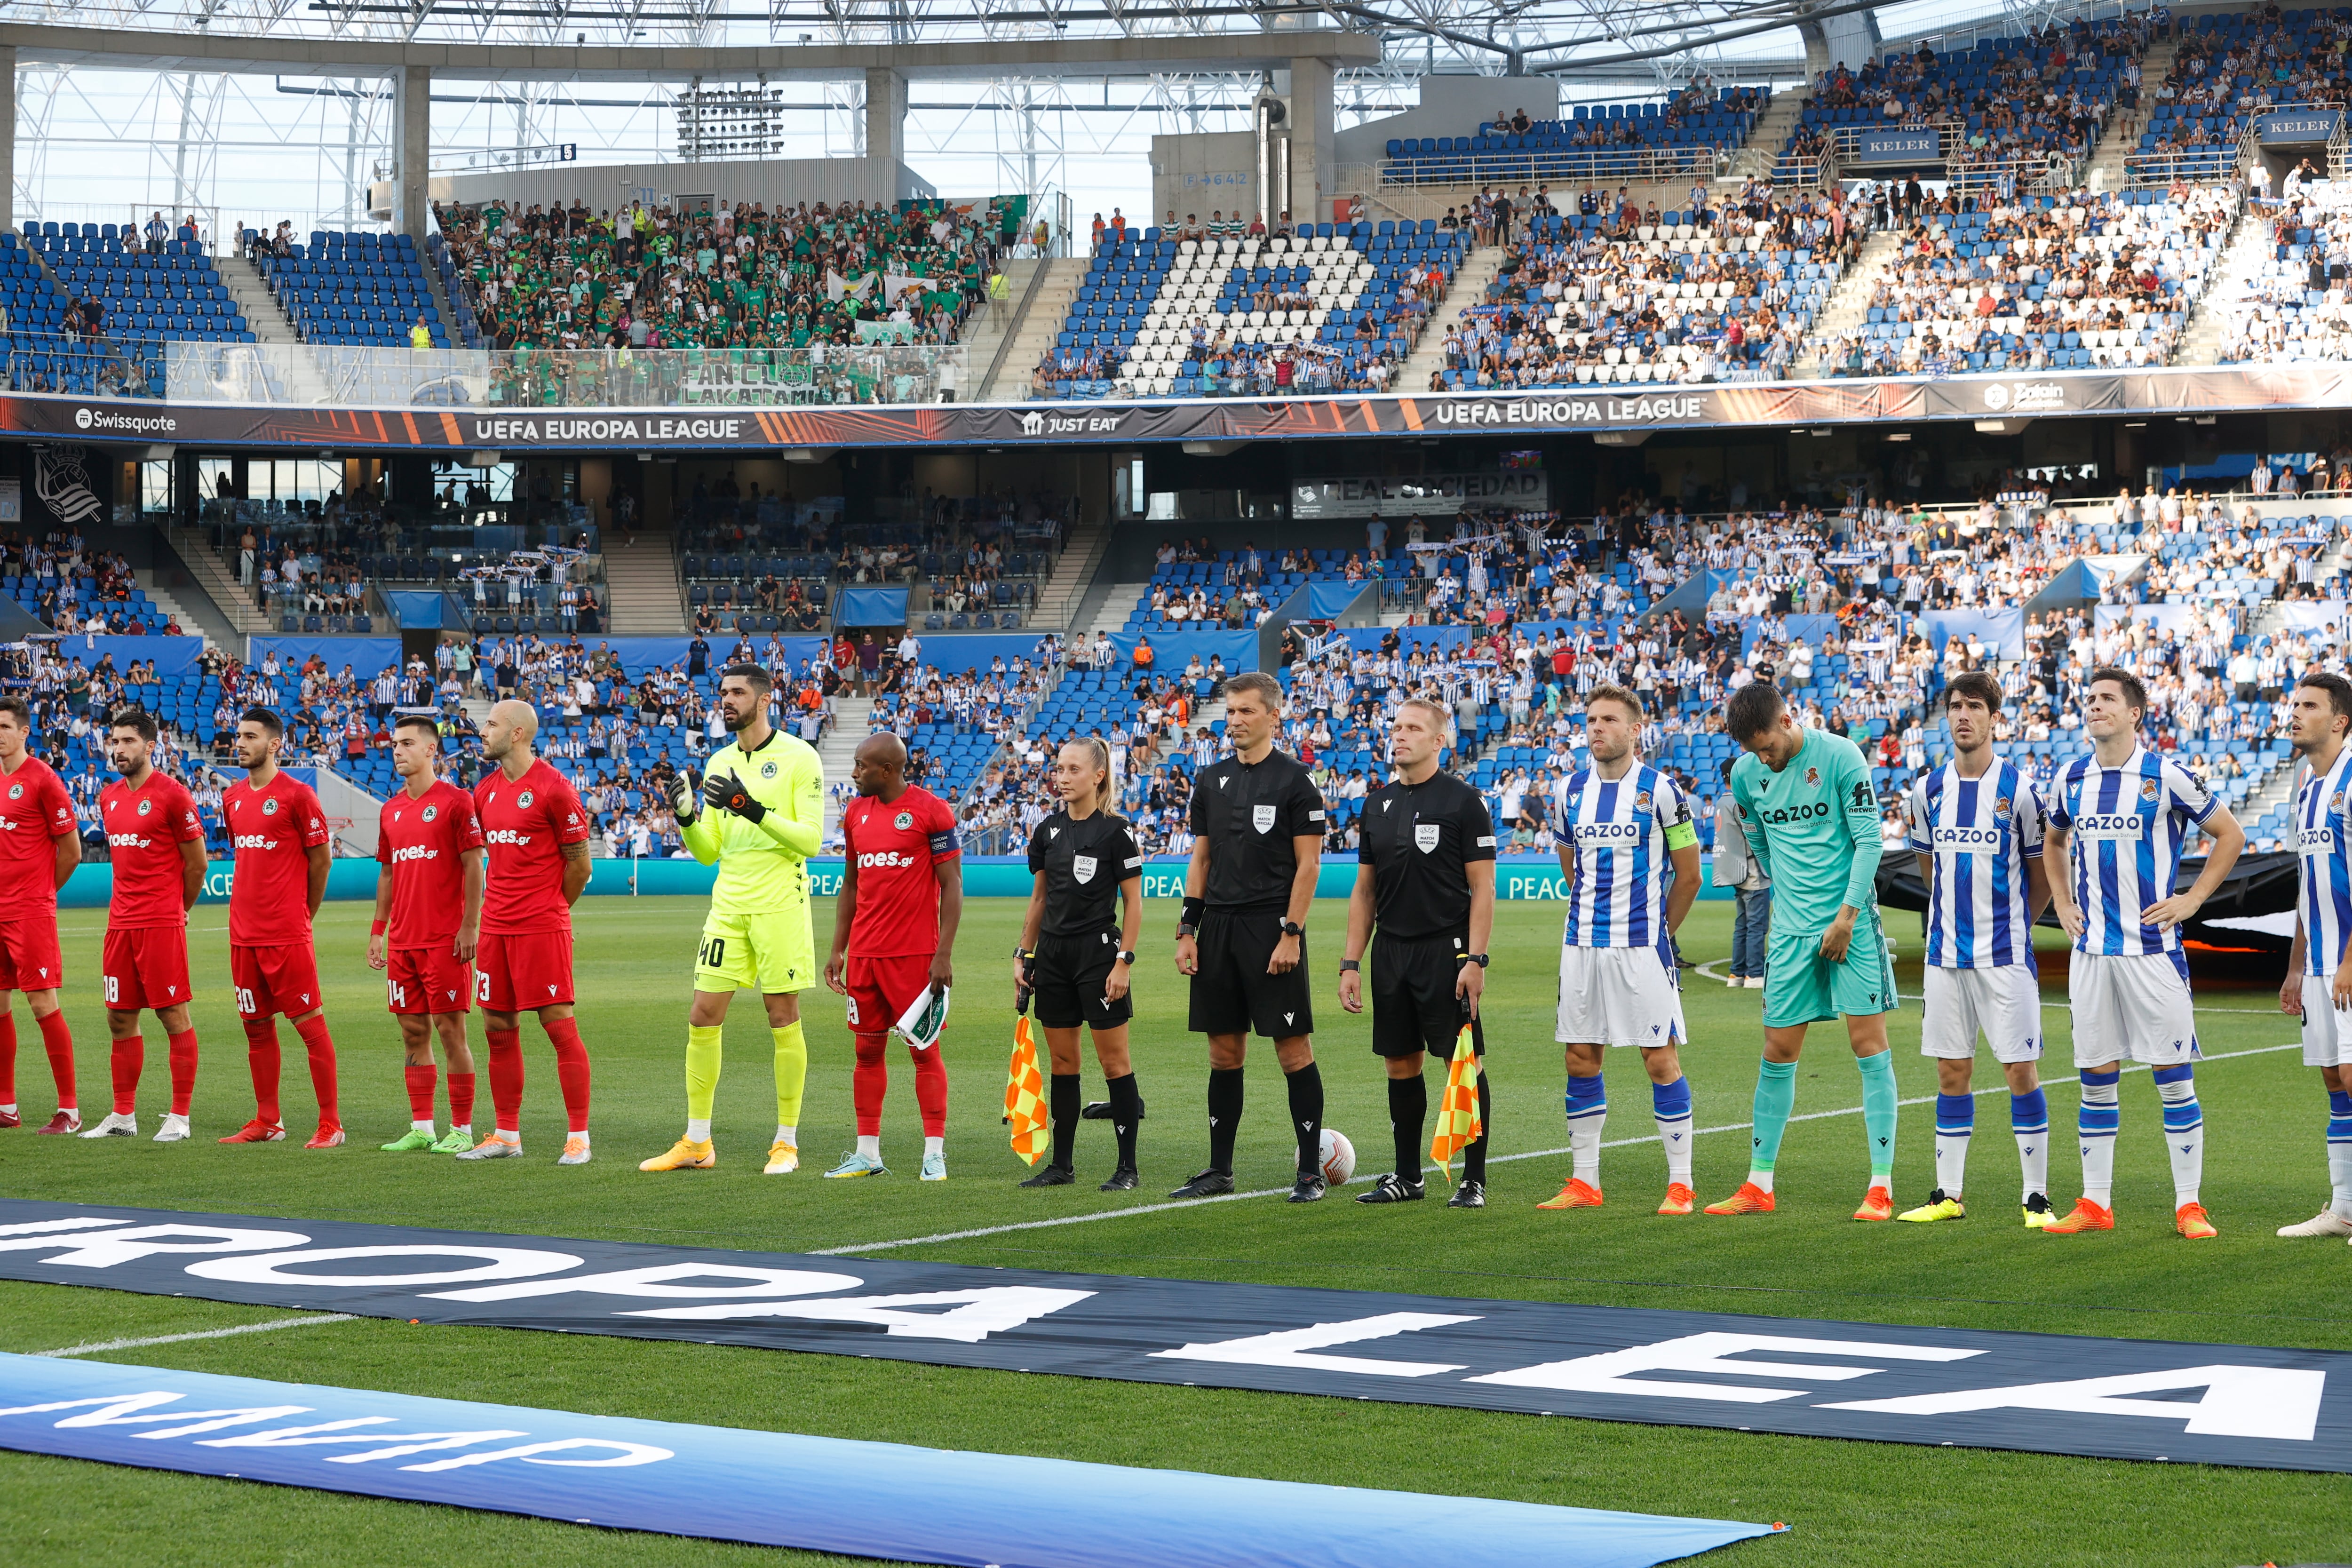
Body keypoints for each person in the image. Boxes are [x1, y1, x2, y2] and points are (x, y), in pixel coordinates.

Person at [2043, 668, 2244, 1239]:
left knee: (2173, 1078)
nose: (2093, 706)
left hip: (2152, 953)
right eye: (2089, 699)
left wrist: (2192, 898)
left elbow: (2229, 835)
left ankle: (2188, 1205)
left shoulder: (2168, 775)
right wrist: (2060, 900)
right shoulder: (2071, 777)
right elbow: (2053, 842)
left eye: (2106, 699)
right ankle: (2094, 1203)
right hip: (2090, 956)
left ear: (2134, 714)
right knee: (2094, 1079)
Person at [1707, 683, 1900, 1218]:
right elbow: (1762, 845)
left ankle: (1879, 1186)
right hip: (1790, 934)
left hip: (1850, 926)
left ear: (1788, 720)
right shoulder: (1744, 775)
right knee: (1776, 1053)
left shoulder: (1840, 756)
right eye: (1754, 751)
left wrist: (1845, 917)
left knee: (1868, 1045)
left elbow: (1868, 842)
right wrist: (1793, 903)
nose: (1763, 759)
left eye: (1767, 746)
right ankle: (1758, 1185)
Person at [641, 663, 824, 1177]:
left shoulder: (799, 757)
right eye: (722, 692)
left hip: (779, 905)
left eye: (737, 692)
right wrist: (685, 819)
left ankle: (785, 1143)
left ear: (763, 700)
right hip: (728, 904)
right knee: (702, 1014)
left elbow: (811, 840)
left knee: (782, 1017)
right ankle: (697, 1142)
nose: (726, 700)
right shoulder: (719, 761)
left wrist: (750, 806)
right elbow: (708, 852)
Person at [1534, 684, 1702, 1214]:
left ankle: (1680, 1183)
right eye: (1590, 720)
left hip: (1640, 948)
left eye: (1609, 720)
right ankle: (1585, 1182)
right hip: (1581, 944)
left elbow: (1689, 875)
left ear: (1635, 730)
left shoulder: (1662, 790)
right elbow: (1570, 865)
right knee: (1579, 1057)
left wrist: (1660, 934)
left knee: (1659, 1060)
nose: (1596, 729)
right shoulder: (1569, 791)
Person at [1896, 670, 2055, 1227]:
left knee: (2019, 1072)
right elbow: (1926, 867)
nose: (1963, 716)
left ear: (1994, 718)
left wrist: (2012, 926)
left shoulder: (2022, 791)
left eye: (1974, 707)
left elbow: (2041, 877)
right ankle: (1946, 1195)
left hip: (2005, 958)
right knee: (1950, 1073)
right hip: (1943, 960)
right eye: (1955, 707)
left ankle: (2035, 1197)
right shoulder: (1926, 791)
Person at [1171, 671, 1329, 1202]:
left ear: (1272, 718)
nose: (1234, 721)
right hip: (1217, 928)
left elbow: (1308, 867)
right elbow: (1201, 859)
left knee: (1292, 1051)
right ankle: (1219, 1170)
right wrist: (1188, 929)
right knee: (1223, 1053)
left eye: (1245, 711)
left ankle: (1308, 1172)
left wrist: (1291, 933)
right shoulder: (1210, 779)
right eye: (1230, 711)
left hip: (1270, 928)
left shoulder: (1295, 781)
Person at [1339, 696, 1496, 1208]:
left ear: (1438, 740)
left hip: (1446, 952)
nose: (1399, 735)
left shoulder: (1462, 801)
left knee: (1462, 1065)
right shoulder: (1376, 804)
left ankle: (1473, 1179)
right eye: (1396, 726)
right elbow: (1364, 892)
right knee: (1398, 1065)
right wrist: (1350, 963)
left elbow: (1483, 888)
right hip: (1390, 953)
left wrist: (1475, 960)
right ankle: (1408, 1176)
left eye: (1412, 728)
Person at [457, 700, 595, 1165]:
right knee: (497, 1026)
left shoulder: (555, 789)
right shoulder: (485, 792)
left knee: (558, 1025)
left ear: (517, 733)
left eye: (492, 724)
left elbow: (580, 866)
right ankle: (506, 1135)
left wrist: (551, 909)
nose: (484, 731)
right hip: (496, 929)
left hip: (541, 928)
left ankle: (578, 1136)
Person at [824, 733, 962, 1180]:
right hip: (865, 955)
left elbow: (953, 885)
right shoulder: (855, 812)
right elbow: (851, 884)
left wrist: (944, 953)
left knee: (924, 1050)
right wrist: (837, 948)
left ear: (887, 770)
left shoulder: (931, 811)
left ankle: (934, 1154)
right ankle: (868, 1154)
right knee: (866, 1052)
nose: (853, 773)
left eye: (861, 765)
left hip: (915, 956)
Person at [1012, 737, 1145, 1191]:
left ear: (1098, 775)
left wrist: (1123, 962)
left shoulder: (1116, 831)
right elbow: (1040, 899)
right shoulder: (1047, 830)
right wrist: (1023, 954)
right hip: (1052, 957)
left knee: (1114, 1063)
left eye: (1072, 770)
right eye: (1059, 769)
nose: (1062, 777)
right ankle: (1061, 1166)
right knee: (1064, 1063)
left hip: (1098, 957)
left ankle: (1127, 1167)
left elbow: (1134, 904)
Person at [215, 707, 342, 1149]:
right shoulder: (231, 798)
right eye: (238, 735)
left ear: (274, 744)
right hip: (242, 935)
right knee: (256, 1027)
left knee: (310, 1026)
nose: (241, 742)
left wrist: (304, 913)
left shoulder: (298, 795)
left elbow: (321, 860)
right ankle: (268, 1119)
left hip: (286, 933)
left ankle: (331, 1124)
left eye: (250, 735)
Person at [79, 707, 206, 1141]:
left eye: (128, 741)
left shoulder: (173, 794)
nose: (118, 749)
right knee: (119, 1017)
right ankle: (122, 1116)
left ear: (150, 746)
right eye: (114, 741)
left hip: (159, 922)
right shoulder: (109, 796)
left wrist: (178, 908)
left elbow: (197, 864)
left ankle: (180, 1117)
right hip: (120, 924)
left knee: (173, 1015)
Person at [371, 714, 485, 1154]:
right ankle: (422, 1126)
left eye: (406, 743)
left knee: (450, 1030)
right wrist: (379, 931)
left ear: (431, 750)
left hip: (445, 940)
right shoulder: (391, 808)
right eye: (395, 745)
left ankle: (462, 1129)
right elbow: (387, 874)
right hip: (403, 941)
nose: (397, 751)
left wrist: (470, 925)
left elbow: (475, 864)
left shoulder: (457, 801)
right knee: (413, 1032)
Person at [2278, 673, 2352, 1239]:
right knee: (2333, 1080)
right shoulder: (2305, 786)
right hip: (2319, 966)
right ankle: (2342, 1208)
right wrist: (2295, 966)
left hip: (2348, 966)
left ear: (2339, 720)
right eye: (2293, 703)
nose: (2294, 713)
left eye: (2308, 705)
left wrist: (2348, 962)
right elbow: (2307, 887)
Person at [0, 695, 81, 1133]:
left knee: (41, 1002)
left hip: (29, 910)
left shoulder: (44, 780)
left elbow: (71, 851)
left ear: (24, 732)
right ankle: (6, 1106)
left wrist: (41, 892)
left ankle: (69, 1109)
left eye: (5, 728)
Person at [1715, 756, 1768, 987]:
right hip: (1753, 870)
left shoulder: (1721, 802)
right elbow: (1754, 834)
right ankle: (1754, 973)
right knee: (1757, 925)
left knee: (1743, 924)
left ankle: (1737, 973)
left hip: (1735, 868)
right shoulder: (1741, 802)